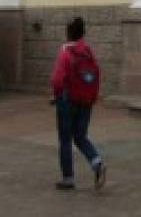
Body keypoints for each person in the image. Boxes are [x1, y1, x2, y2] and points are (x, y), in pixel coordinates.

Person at [49, 16, 106, 192]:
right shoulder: (88, 51)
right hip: (86, 99)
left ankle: (68, 179)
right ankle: (96, 162)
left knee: (65, 139)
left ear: (68, 32)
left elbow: (58, 79)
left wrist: (56, 95)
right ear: (83, 32)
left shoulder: (65, 50)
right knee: (80, 136)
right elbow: (95, 73)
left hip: (67, 100)